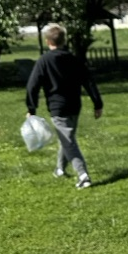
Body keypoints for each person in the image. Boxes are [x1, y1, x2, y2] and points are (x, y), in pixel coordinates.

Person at [26, 23, 103, 189]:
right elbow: (89, 81)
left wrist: (31, 109)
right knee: (66, 138)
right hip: (75, 106)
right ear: (64, 40)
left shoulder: (44, 61)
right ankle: (60, 169)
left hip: (57, 108)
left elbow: (32, 85)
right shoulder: (74, 59)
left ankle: (83, 176)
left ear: (48, 41)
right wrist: (97, 103)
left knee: (68, 141)